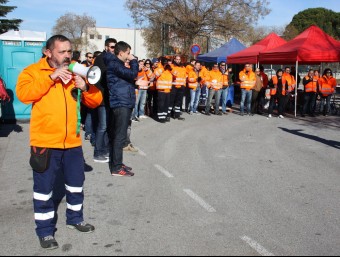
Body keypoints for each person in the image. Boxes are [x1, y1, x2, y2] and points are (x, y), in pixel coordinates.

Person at [16, 35, 102, 250]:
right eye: (62, 52)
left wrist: (86, 87)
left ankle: (75, 219)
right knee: (43, 190)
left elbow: (96, 100)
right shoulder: (33, 72)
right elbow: (24, 94)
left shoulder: (75, 72)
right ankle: (45, 232)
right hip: (45, 142)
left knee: (75, 185)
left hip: (72, 143)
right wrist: (51, 77)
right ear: (48, 52)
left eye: (69, 51)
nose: (67, 56)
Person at [104, 41, 137, 176]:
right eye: (128, 53)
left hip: (123, 101)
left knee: (118, 135)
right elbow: (132, 74)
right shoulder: (114, 64)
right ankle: (116, 168)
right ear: (121, 52)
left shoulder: (117, 64)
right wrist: (134, 61)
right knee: (119, 136)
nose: (129, 56)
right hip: (120, 103)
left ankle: (117, 162)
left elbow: (127, 79)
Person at [92, 38, 117, 163]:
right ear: (106, 47)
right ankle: (97, 152)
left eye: (115, 47)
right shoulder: (100, 59)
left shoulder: (113, 59)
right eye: (112, 47)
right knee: (102, 126)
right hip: (101, 97)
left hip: (110, 97)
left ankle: (105, 150)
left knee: (108, 126)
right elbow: (102, 76)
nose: (114, 49)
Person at [169, 55, 186, 120]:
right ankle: (169, 115)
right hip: (174, 86)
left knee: (178, 102)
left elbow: (184, 77)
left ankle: (177, 115)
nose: (178, 60)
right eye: (177, 59)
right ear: (174, 60)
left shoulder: (183, 67)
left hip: (181, 87)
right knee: (171, 101)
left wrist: (184, 85)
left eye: (179, 59)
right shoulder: (172, 67)